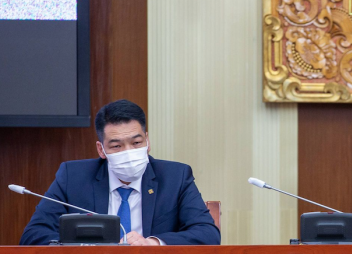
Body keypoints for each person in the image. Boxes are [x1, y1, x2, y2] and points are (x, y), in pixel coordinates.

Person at [20, 99, 220, 245]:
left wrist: (153, 243)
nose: (129, 152)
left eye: (136, 143)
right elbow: (33, 235)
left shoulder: (176, 176)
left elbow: (208, 233)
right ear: (101, 150)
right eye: (116, 146)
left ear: (147, 141)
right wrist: (83, 246)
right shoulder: (73, 177)